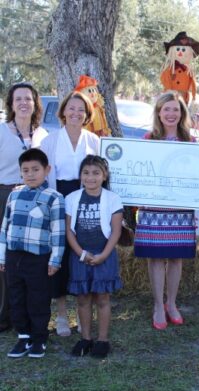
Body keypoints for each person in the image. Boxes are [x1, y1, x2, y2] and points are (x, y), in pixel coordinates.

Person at [134, 91, 196, 330]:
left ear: (182, 114)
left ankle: (172, 303)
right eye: (166, 109)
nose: (171, 114)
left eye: (176, 110)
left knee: (175, 256)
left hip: (179, 207)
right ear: (159, 112)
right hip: (154, 207)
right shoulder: (148, 139)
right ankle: (158, 305)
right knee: (156, 256)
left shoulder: (190, 141)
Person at [41, 91, 99, 336]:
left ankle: (81, 312)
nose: (76, 113)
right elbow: (44, 177)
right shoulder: (49, 141)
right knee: (61, 255)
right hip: (59, 198)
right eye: (71, 108)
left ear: (87, 115)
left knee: (82, 254)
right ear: (63, 111)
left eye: (81, 110)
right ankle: (62, 314)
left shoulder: (94, 141)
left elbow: (99, 173)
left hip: (85, 199)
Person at [0, 148, 65, 358]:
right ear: (20, 172)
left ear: (47, 170)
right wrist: (2, 256)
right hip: (13, 256)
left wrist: (55, 260)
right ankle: (23, 336)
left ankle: (39, 337)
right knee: (16, 296)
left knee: (38, 297)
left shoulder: (53, 197)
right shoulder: (14, 194)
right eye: (25, 170)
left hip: (38, 258)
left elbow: (58, 231)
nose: (30, 174)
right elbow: (5, 226)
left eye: (35, 169)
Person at [0, 82, 48, 333]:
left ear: (35, 103)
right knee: (4, 258)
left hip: (35, 199)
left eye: (28, 99)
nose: (23, 103)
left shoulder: (42, 136)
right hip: (6, 195)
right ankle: (3, 315)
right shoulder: (1, 132)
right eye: (18, 99)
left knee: (28, 259)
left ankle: (26, 315)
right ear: (11, 104)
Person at [66, 155, 123, 357]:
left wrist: (103, 255)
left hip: (104, 256)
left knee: (102, 299)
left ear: (104, 175)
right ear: (80, 175)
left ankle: (103, 340)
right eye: (86, 173)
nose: (90, 178)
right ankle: (86, 339)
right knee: (83, 299)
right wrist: (81, 254)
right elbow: (69, 231)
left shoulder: (113, 199)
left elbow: (116, 231)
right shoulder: (72, 198)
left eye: (96, 173)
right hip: (80, 256)